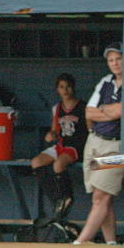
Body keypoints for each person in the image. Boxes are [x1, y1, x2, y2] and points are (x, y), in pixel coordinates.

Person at [74, 42, 124, 245]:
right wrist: (110, 111)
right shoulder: (105, 81)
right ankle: (111, 242)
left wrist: (104, 110)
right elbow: (89, 112)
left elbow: (122, 110)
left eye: (118, 58)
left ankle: (80, 242)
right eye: (111, 60)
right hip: (94, 141)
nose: (115, 63)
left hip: (116, 145)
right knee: (102, 197)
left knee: (100, 196)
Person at [31, 73, 88, 227]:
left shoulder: (83, 107)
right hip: (61, 145)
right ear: (57, 89)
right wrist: (51, 135)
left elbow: (90, 129)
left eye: (68, 86)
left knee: (58, 165)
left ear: (73, 88)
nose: (65, 90)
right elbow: (54, 130)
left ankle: (67, 197)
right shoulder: (56, 108)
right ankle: (57, 199)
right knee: (36, 162)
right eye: (62, 87)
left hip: (76, 146)